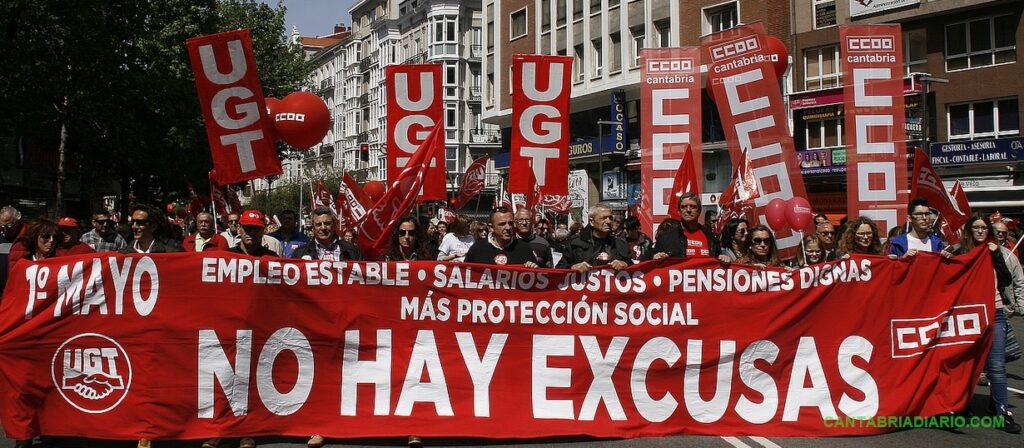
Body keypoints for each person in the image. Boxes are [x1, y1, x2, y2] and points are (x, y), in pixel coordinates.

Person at [949, 216, 1021, 434]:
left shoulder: (997, 251)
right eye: (976, 228)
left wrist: (996, 255)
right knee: (967, 365)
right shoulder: (960, 251)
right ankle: (961, 406)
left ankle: (1002, 412)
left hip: (995, 313)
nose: (980, 231)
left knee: (997, 366)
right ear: (970, 231)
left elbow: (1007, 280)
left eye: (984, 228)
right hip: (969, 316)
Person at [644, 192, 725, 262]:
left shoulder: (711, 237)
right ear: (679, 212)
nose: (688, 210)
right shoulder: (666, 238)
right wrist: (654, 258)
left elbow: (718, 261)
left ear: (699, 211)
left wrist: (722, 259)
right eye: (684, 207)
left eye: (693, 206)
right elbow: (646, 263)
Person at [559, 203, 630, 272]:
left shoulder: (620, 244)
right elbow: (559, 269)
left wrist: (625, 264)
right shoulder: (575, 244)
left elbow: (634, 269)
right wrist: (573, 267)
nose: (608, 221)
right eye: (603, 218)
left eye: (610, 218)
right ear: (591, 221)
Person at [464, 207, 539, 267]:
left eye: (510, 223)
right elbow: (465, 275)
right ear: (491, 227)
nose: (508, 227)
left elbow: (538, 280)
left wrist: (534, 269)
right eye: (502, 224)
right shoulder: (477, 249)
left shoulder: (525, 249)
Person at [291, 207, 361, 261]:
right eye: (318, 224)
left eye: (327, 223)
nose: (323, 228)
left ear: (334, 225)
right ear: (313, 228)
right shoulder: (299, 253)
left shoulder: (353, 251)